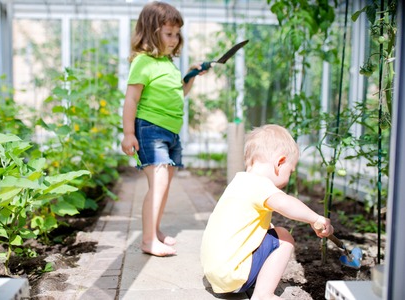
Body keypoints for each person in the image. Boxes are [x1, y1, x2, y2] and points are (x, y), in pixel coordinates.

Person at [200, 124, 334, 299]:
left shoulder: (239, 182)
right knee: (284, 237)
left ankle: (253, 278)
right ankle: (263, 295)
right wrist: (315, 218)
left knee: (269, 232)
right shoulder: (260, 184)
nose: (289, 176)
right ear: (280, 162)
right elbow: (286, 203)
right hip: (232, 275)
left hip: (214, 273)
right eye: (290, 171)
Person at [121, 1, 207, 257]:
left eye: (177, 34)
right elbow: (131, 99)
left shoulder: (168, 64)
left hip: (171, 133)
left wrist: (190, 76)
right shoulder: (143, 62)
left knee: (164, 185)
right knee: (157, 183)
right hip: (150, 130)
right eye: (168, 33)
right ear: (151, 32)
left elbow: (179, 93)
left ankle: (154, 230)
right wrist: (128, 133)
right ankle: (148, 241)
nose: (174, 39)